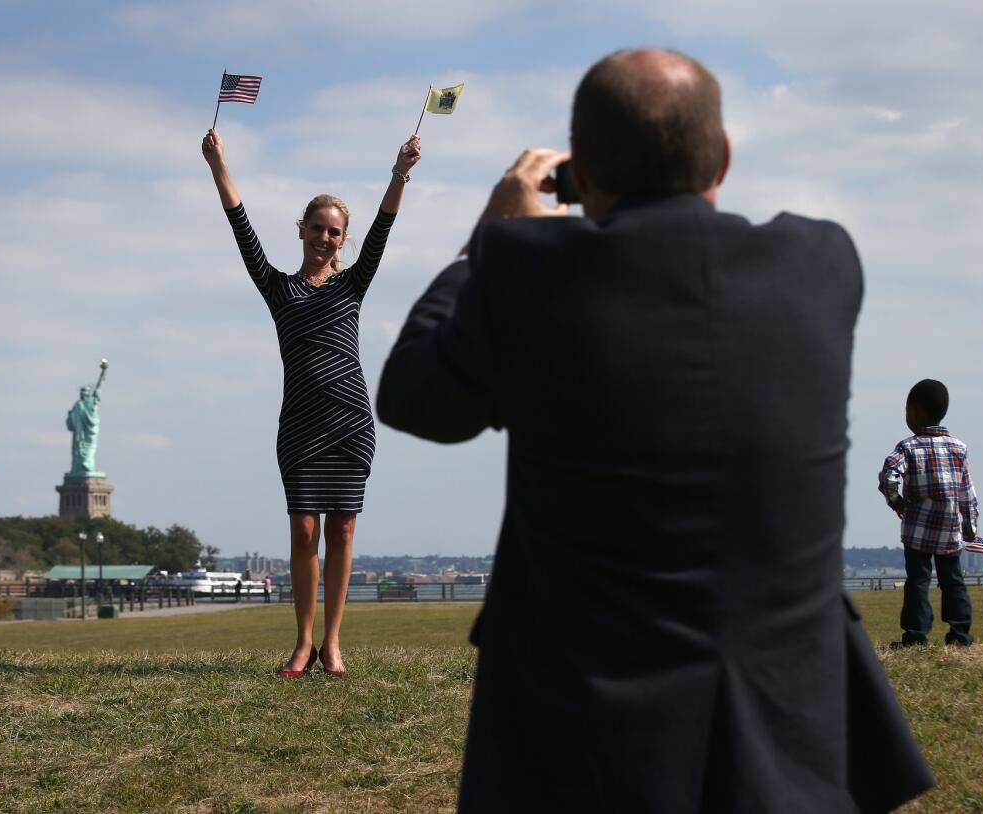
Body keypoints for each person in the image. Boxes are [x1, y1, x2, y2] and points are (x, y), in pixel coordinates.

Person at [377, 48, 934, 812]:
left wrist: (488, 238)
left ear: (581, 174)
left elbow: (414, 398)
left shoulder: (524, 272)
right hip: (792, 733)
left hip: (580, 736)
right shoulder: (824, 262)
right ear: (724, 157)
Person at [202, 126, 422, 679]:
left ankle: (334, 643)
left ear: (342, 241)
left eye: (335, 232)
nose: (326, 238)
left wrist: (399, 173)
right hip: (300, 425)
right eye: (318, 228)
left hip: (350, 422)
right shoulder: (278, 288)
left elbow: (383, 230)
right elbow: (241, 228)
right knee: (304, 533)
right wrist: (217, 165)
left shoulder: (353, 286)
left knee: (343, 530)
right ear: (302, 231)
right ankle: (303, 643)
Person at [879, 379, 978, 648]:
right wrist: (969, 525)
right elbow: (966, 492)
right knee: (953, 581)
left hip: (917, 530)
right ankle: (959, 635)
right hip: (949, 530)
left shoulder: (907, 447)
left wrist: (897, 502)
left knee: (918, 582)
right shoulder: (959, 448)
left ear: (916, 412)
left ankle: (915, 636)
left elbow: (888, 476)